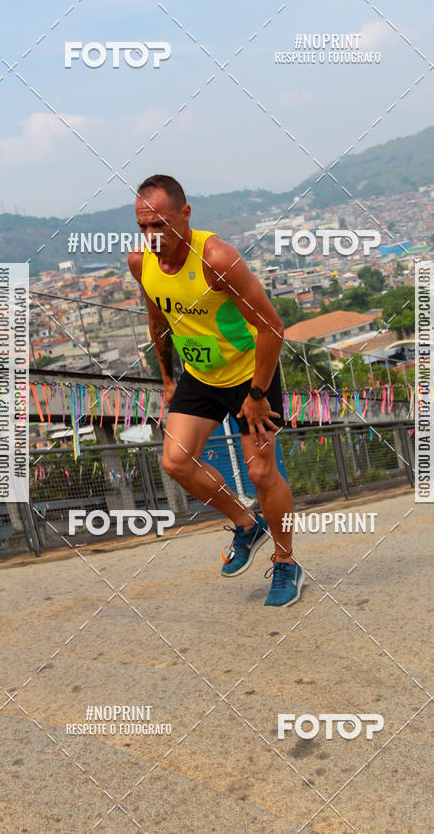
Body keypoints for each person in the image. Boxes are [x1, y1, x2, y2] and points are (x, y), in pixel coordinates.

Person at [128, 174, 303, 607]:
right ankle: (247, 525)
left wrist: (258, 393)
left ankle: (286, 563)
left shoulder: (217, 258)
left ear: (185, 215)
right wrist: (168, 379)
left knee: (262, 473)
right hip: (200, 376)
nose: (152, 237)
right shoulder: (140, 263)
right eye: (143, 227)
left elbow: (272, 327)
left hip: (249, 375)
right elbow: (158, 320)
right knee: (175, 461)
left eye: (161, 225)